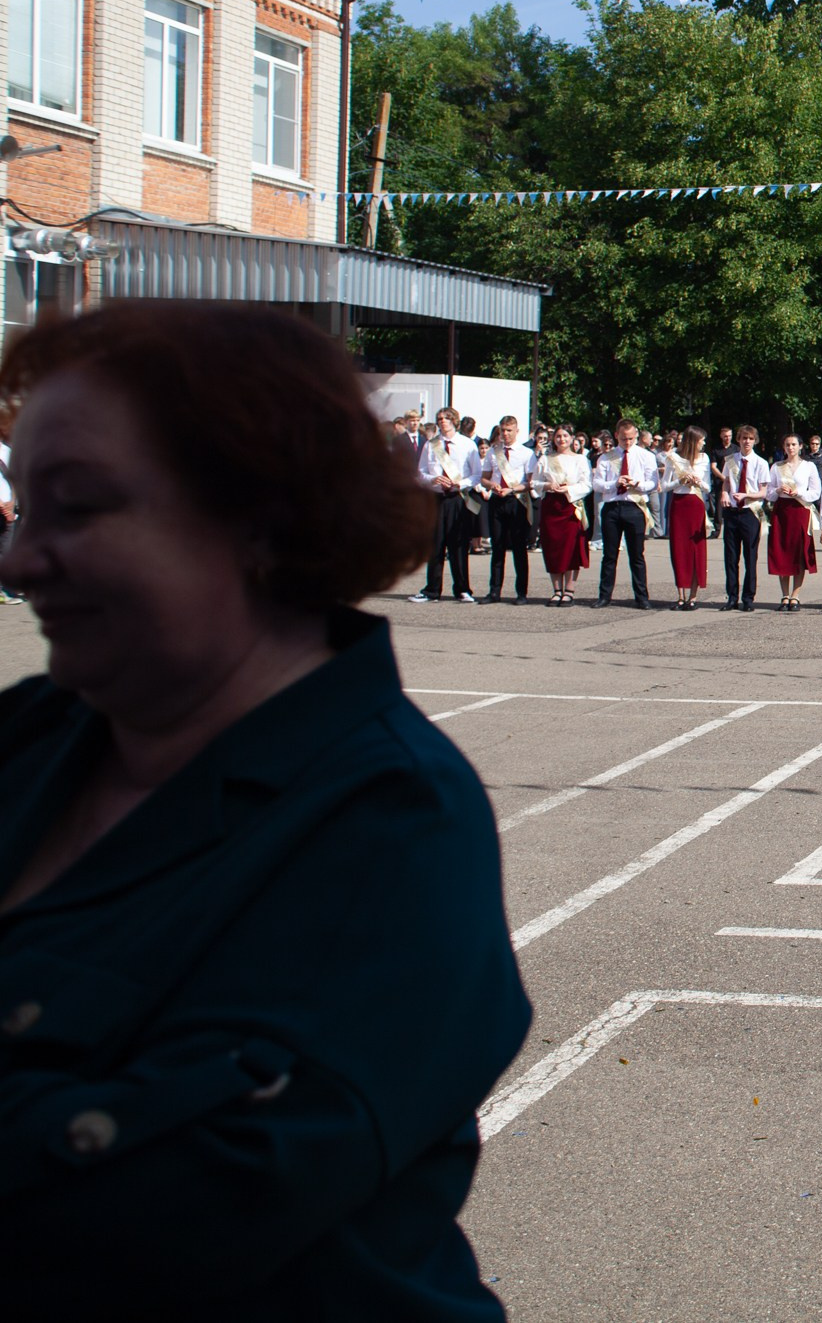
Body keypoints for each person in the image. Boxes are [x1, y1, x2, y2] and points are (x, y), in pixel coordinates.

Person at [0, 302, 529, 1317]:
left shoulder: (391, 818)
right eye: (22, 506)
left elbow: (166, 1207)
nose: (18, 559)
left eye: (76, 506)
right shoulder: (33, 736)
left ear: (260, 518)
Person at [409, 408, 481, 604]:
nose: (442, 422)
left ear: (454, 421)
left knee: (458, 545)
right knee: (435, 545)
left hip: (458, 498)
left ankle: (462, 589)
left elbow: (476, 475)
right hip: (437, 498)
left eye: (446, 419)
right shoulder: (431, 445)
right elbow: (421, 473)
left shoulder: (467, 445)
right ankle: (432, 590)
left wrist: (461, 484)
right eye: (439, 419)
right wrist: (433, 479)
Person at [588, 422, 656, 608]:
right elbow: (597, 484)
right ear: (617, 435)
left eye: (631, 439)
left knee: (637, 555)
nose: (627, 442)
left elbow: (652, 483)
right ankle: (604, 595)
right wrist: (614, 483)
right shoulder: (607, 457)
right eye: (623, 438)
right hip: (612, 506)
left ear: (636, 436)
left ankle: (641, 596)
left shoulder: (645, 456)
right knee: (609, 555)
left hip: (634, 506)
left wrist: (637, 484)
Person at [532, 426, 591, 605]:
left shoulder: (580, 459)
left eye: (565, 436)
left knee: (572, 548)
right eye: (558, 436)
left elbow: (587, 484)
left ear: (572, 438)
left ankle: (570, 590)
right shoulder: (545, 459)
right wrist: (547, 486)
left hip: (571, 506)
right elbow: (534, 482)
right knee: (553, 548)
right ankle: (557, 590)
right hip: (552, 506)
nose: (561, 439)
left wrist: (569, 489)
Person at [479, 415, 535, 603]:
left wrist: (512, 488)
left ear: (516, 431)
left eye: (509, 430)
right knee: (497, 547)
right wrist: (491, 485)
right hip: (497, 501)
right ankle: (494, 591)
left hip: (516, 501)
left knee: (519, 548)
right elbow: (484, 478)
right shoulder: (493, 452)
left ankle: (521, 592)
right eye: (503, 430)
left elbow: (530, 482)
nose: (505, 434)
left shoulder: (526, 453)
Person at [765, 434, 822, 612]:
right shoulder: (777, 467)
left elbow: (816, 492)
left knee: (798, 553)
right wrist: (777, 490)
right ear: (784, 447)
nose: (791, 448)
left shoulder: (809, 467)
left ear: (800, 446)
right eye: (788, 445)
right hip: (781, 512)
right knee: (782, 552)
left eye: (794, 444)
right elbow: (768, 493)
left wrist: (800, 494)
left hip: (800, 511)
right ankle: (784, 595)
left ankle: (795, 595)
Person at [717, 426, 769, 613]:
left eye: (750, 438)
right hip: (731, 511)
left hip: (750, 512)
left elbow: (763, 492)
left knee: (750, 556)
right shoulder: (731, 461)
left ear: (755, 441)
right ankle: (732, 597)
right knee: (731, 557)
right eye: (744, 438)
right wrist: (724, 493)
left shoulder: (761, 463)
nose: (747, 441)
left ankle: (748, 597)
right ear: (738, 440)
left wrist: (747, 495)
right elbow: (726, 481)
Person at [663, 427, 713, 611]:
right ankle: (680, 595)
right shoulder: (674, 458)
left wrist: (698, 482)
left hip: (696, 503)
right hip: (679, 504)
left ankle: (693, 595)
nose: (704, 443)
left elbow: (708, 487)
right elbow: (664, 485)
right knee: (679, 549)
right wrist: (680, 481)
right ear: (693, 441)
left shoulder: (705, 459)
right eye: (701, 440)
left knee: (696, 549)